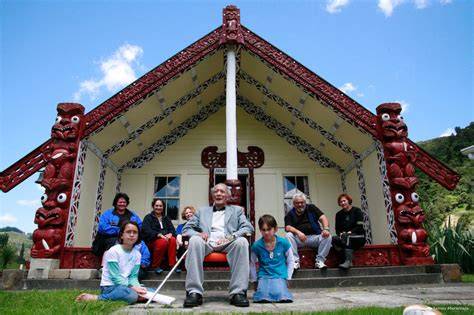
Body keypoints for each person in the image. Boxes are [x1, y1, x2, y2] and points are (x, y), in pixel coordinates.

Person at [182, 183, 254, 308]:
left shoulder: (237, 211)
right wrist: (198, 234)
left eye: (222, 191)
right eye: (216, 191)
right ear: (212, 195)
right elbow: (186, 229)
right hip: (207, 242)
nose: (218, 193)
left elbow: (248, 227)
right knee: (194, 240)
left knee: (242, 242)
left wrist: (230, 237)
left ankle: (238, 292)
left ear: (227, 196)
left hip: (228, 243)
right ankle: (194, 292)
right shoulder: (201, 211)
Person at [76, 220, 147, 304]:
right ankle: (97, 298)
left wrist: (138, 288)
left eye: (135, 232)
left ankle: (135, 294)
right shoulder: (114, 251)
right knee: (132, 296)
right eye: (128, 232)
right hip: (110, 286)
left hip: (126, 286)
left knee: (150, 292)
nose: (132, 235)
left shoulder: (137, 254)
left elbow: (133, 277)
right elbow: (115, 277)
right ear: (121, 235)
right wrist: (133, 289)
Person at [250, 214, 294, 303]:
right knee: (263, 296)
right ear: (260, 230)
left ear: (275, 229)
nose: (266, 233)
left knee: (281, 295)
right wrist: (254, 281)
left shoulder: (284, 243)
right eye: (263, 230)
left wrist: (288, 277)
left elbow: (291, 260)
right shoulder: (256, 246)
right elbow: (251, 263)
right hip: (264, 275)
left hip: (280, 275)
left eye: (269, 229)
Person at [284, 193, 332, 269]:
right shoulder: (290, 214)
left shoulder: (312, 208)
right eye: (297, 203)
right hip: (299, 240)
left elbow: (323, 218)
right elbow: (288, 227)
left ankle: (320, 261)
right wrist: (298, 233)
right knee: (288, 235)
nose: (300, 204)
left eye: (302, 202)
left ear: (305, 202)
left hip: (314, 237)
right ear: (294, 204)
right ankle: (295, 262)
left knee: (328, 236)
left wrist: (326, 229)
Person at [92, 193, 142, 257]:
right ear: (116, 203)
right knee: (114, 243)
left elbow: (139, 226)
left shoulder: (132, 215)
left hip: (128, 238)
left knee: (140, 244)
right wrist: (119, 231)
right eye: (120, 202)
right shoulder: (108, 213)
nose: (122, 204)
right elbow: (102, 227)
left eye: (124, 202)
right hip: (108, 238)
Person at [142, 199, 179, 274]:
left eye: (160, 206)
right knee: (163, 241)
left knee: (172, 239)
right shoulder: (148, 217)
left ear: (163, 207)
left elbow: (172, 230)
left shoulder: (166, 218)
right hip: (152, 241)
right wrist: (158, 235)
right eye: (157, 205)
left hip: (165, 239)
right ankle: (155, 266)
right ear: (153, 206)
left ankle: (172, 265)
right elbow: (146, 231)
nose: (158, 207)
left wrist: (170, 234)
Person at [333, 194, 366, 269]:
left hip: (359, 236)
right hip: (345, 237)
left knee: (346, 236)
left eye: (344, 201)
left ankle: (348, 261)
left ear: (349, 201)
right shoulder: (338, 214)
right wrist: (340, 233)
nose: (343, 203)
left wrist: (349, 233)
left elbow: (359, 227)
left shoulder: (357, 211)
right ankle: (341, 260)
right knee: (333, 239)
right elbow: (337, 229)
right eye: (341, 202)